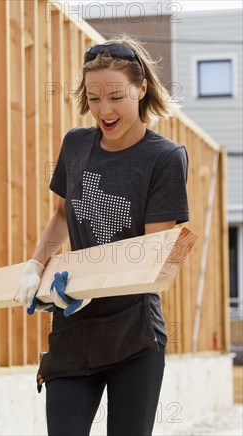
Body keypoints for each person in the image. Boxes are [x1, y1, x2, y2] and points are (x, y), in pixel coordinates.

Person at [17, 36, 188, 435]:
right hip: (74, 332)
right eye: (94, 99)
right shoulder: (76, 145)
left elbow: (151, 255)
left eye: (116, 96)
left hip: (134, 335)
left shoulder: (164, 158)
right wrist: (35, 267)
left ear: (141, 88)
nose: (104, 111)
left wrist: (86, 286)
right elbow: (61, 214)